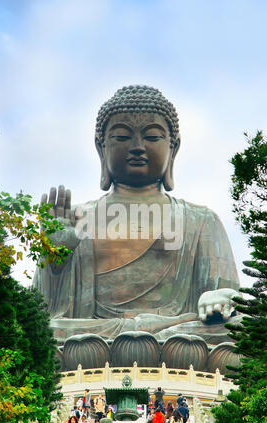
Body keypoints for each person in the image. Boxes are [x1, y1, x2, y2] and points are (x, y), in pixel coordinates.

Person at [34, 85, 241, 374]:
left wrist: (220, 298)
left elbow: (231, 303)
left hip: (179, 334)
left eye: (152, 137)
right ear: (100, 146)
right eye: (121, 136)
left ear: (174, 146)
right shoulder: (78, 219)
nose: (137, 147)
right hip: (91, 336)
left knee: (239, 332)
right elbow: (36, 312)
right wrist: (54, 259)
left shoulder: (201, 219)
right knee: (41, 334)